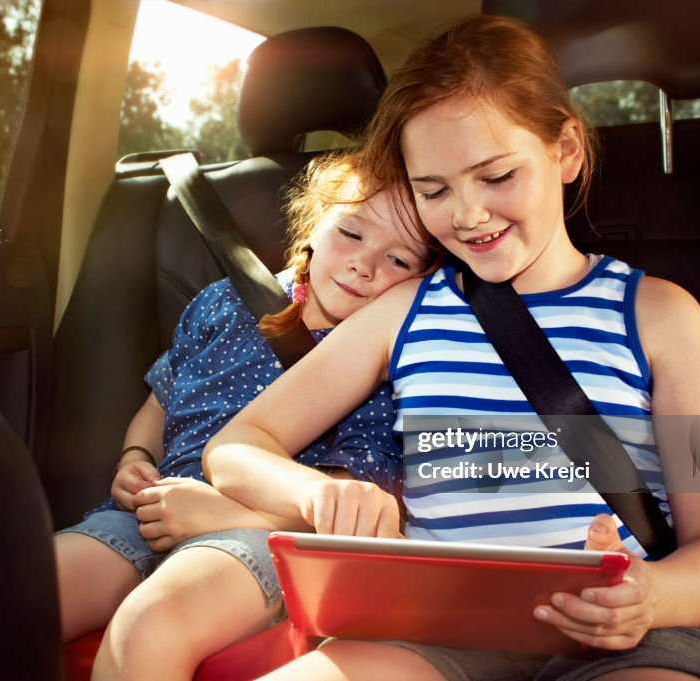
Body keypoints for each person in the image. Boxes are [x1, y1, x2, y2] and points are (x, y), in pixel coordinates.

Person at [203, 15, 700, 681]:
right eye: (433, 190)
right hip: (436, 633)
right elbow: (236, 446)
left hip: (632, 638)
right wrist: (314, 493)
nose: (466, 214)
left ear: (566, 151)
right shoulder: (404, 311)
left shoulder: (662, 318)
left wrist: (650, 596)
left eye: (496, 176)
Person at [53, 150, 440, 680]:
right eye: (352, 234)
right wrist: (135, 458)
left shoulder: (386, 359)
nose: (364, 264)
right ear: (316, 223)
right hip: (151, 511)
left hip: (268, 534)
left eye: (399, 260)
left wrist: (229, 515)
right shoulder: (223, 302)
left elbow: (353, 501)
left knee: (151, 621)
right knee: (23, 593)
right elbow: (158, 402)